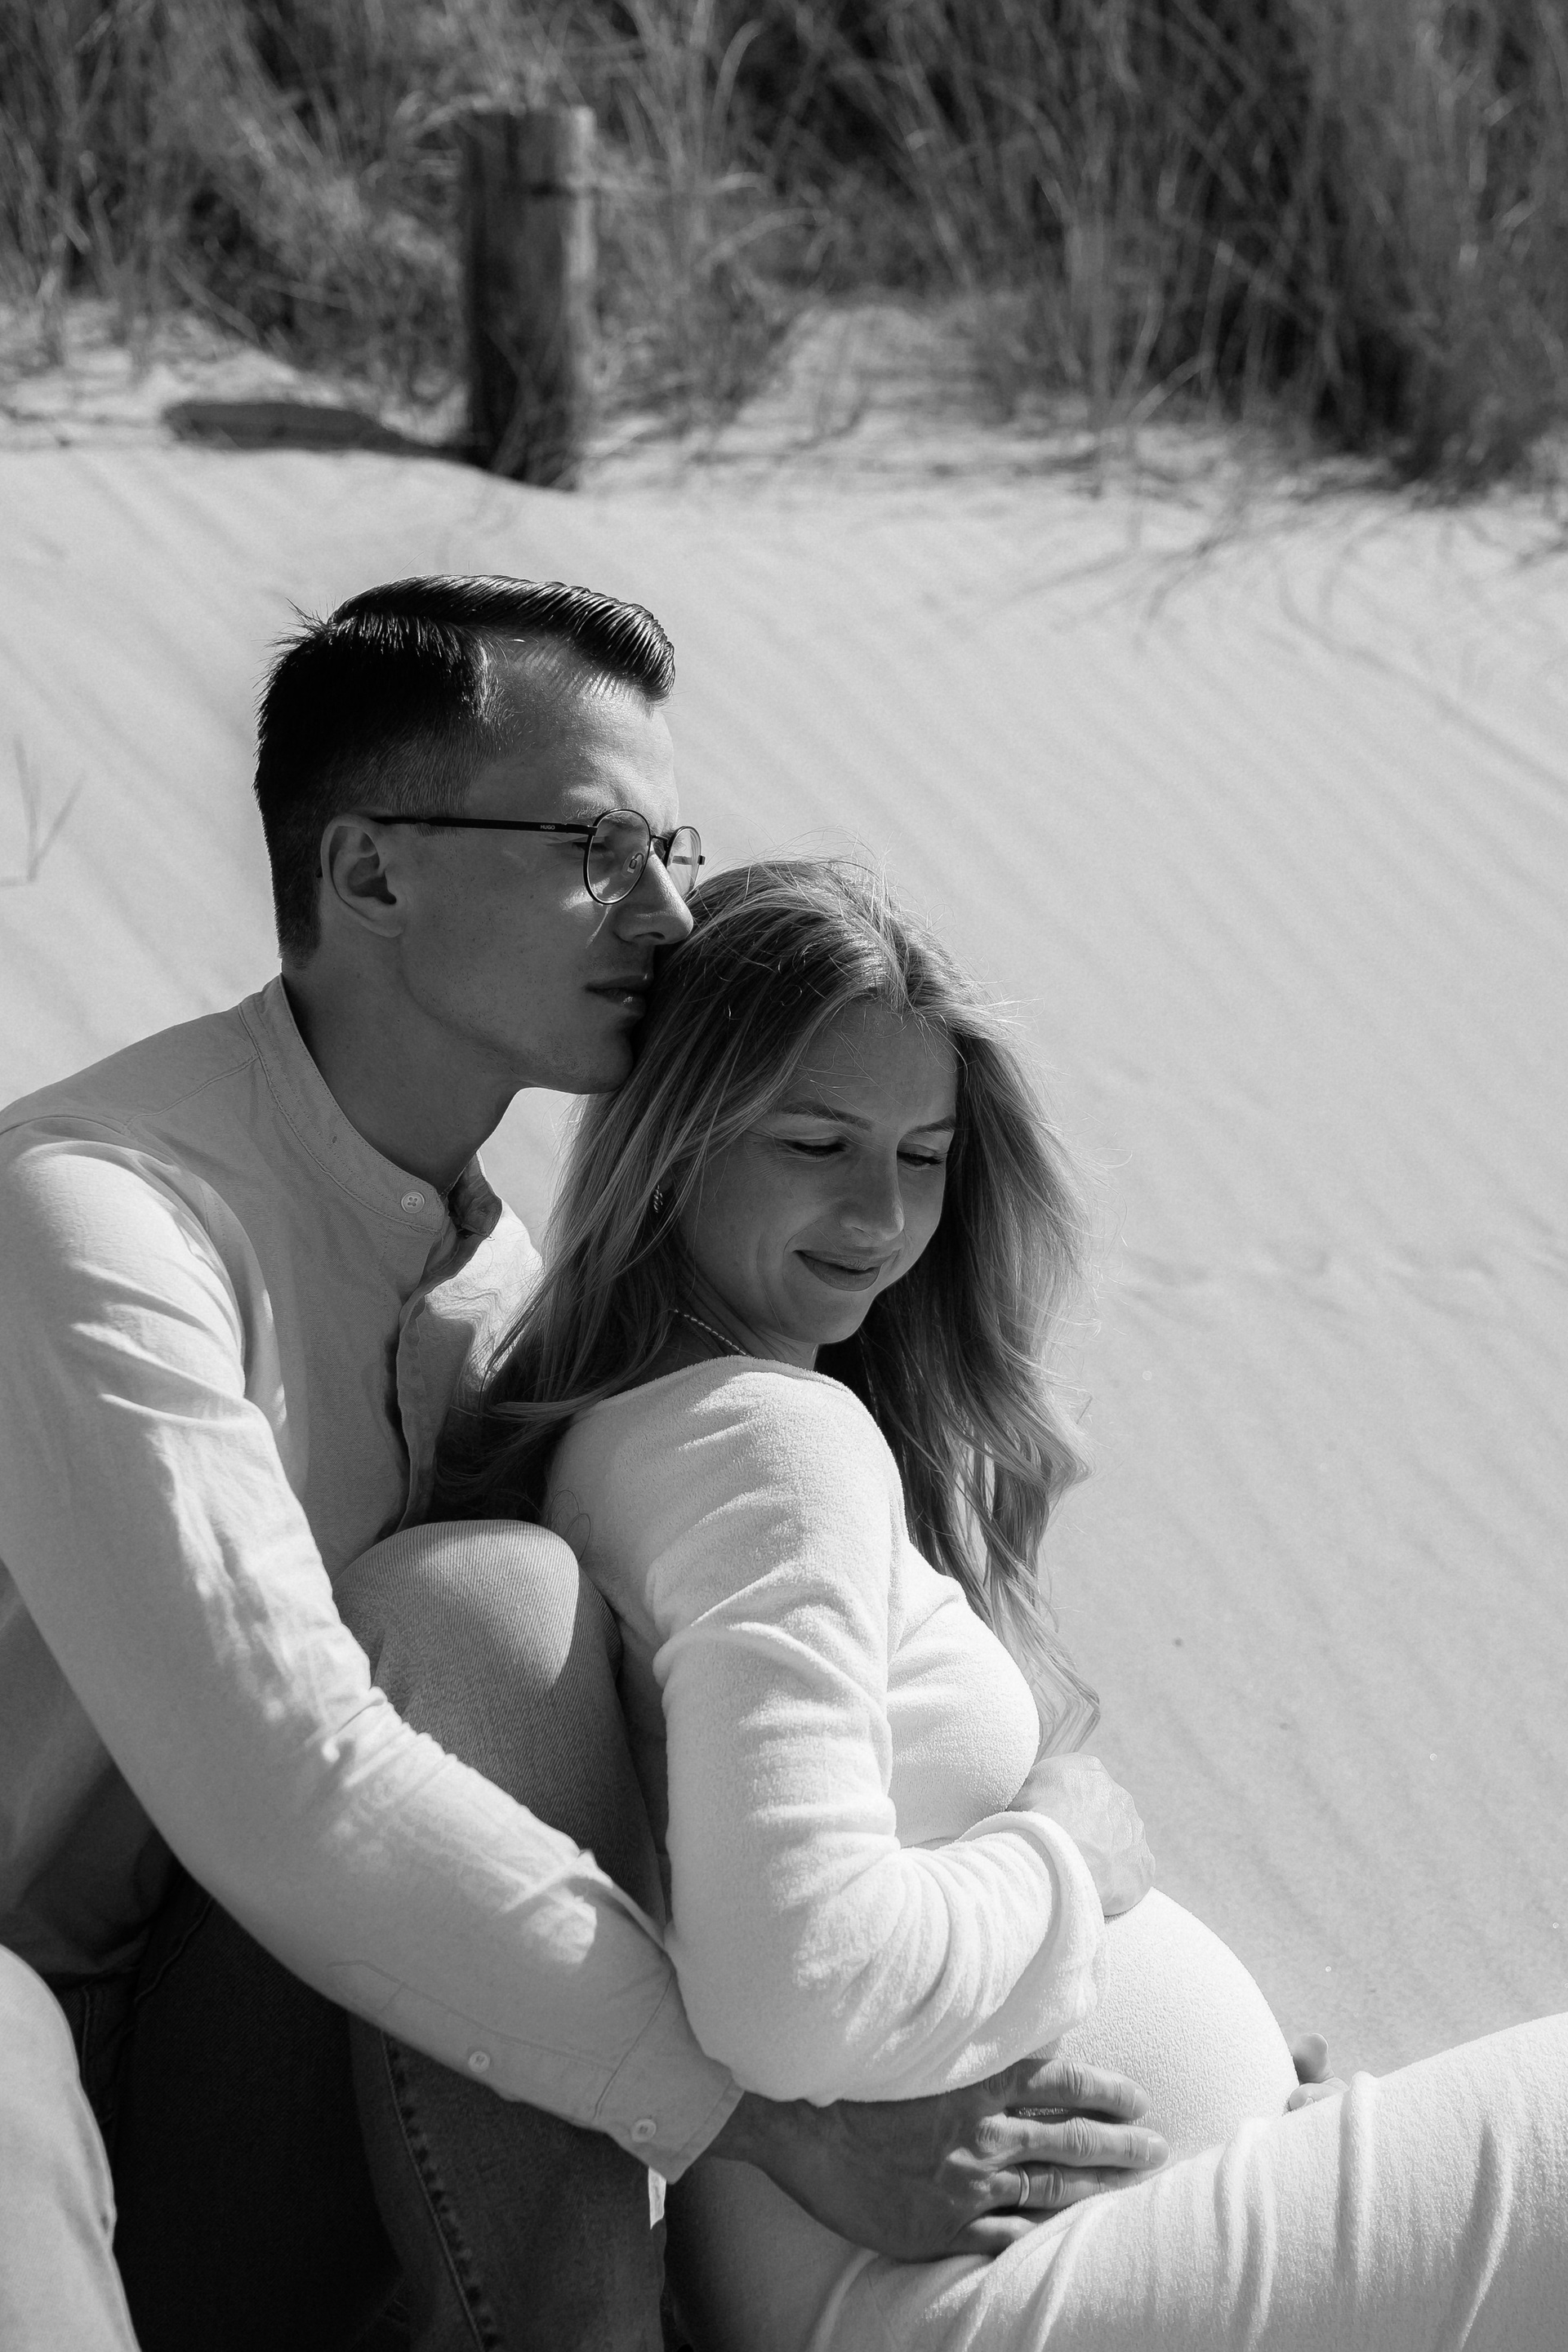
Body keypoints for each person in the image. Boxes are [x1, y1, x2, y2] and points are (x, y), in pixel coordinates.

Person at [0, 577, 1167, 2352]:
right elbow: (294, 1781)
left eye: (669, 848)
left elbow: (712, 1775)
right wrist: (761, 2120)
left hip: (241, 2043)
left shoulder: (493, 1291)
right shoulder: (100, 1218)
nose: (671, 910)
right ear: (370, 873)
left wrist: (1131, 2026)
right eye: (594, 848)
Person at [419, 857, 1568, 2352]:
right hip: (951, 2296)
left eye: (925, 1155)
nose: (881, 1214)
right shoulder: (768, 1441)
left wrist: (1222, 2106)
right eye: (816, 1142)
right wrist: (1071, 1862)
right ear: (675, 1145)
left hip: (1007, 2259)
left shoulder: (651, 1436)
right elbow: (796, 1989)